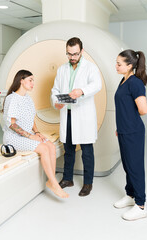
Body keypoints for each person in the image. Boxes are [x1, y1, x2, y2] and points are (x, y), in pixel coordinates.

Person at [3, 70, 69, 199]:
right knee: (44, 148)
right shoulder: (12, 98)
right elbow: (12, 124)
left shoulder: (27, 98)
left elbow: (31, 118)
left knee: (50, 145)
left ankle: (51, 180)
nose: (33, 83)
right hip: (13, 138)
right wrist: (30, 136)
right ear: (21, 80)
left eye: (33, 80)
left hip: (28, 134)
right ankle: (55, 184)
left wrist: (37, 133)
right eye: (30, 80)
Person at [51, 37, 102, 197]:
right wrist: (56, 102)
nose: (72, 57)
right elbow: (55, 89)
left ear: (82, 51)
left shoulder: (90, 68)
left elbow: (97, 84)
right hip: (67, 113)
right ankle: (67, 179)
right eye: (69, 54)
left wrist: (81, 91)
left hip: (83, 115)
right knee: (69, 149)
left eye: (75, 54)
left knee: (87, 150)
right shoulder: (62, 69)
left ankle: (88, 183)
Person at [113, 49, 147, 220]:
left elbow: (143, 109)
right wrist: (120, 126)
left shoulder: (135, 83)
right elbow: (124, 107)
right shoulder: (123, 80)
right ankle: (130, 195)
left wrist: (128, 123)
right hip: (123, 131)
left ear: (130, 66)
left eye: (119, 64)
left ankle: (141, 206)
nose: (116, 66)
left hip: (133, 132)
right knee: (127, 166)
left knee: (135, 168)